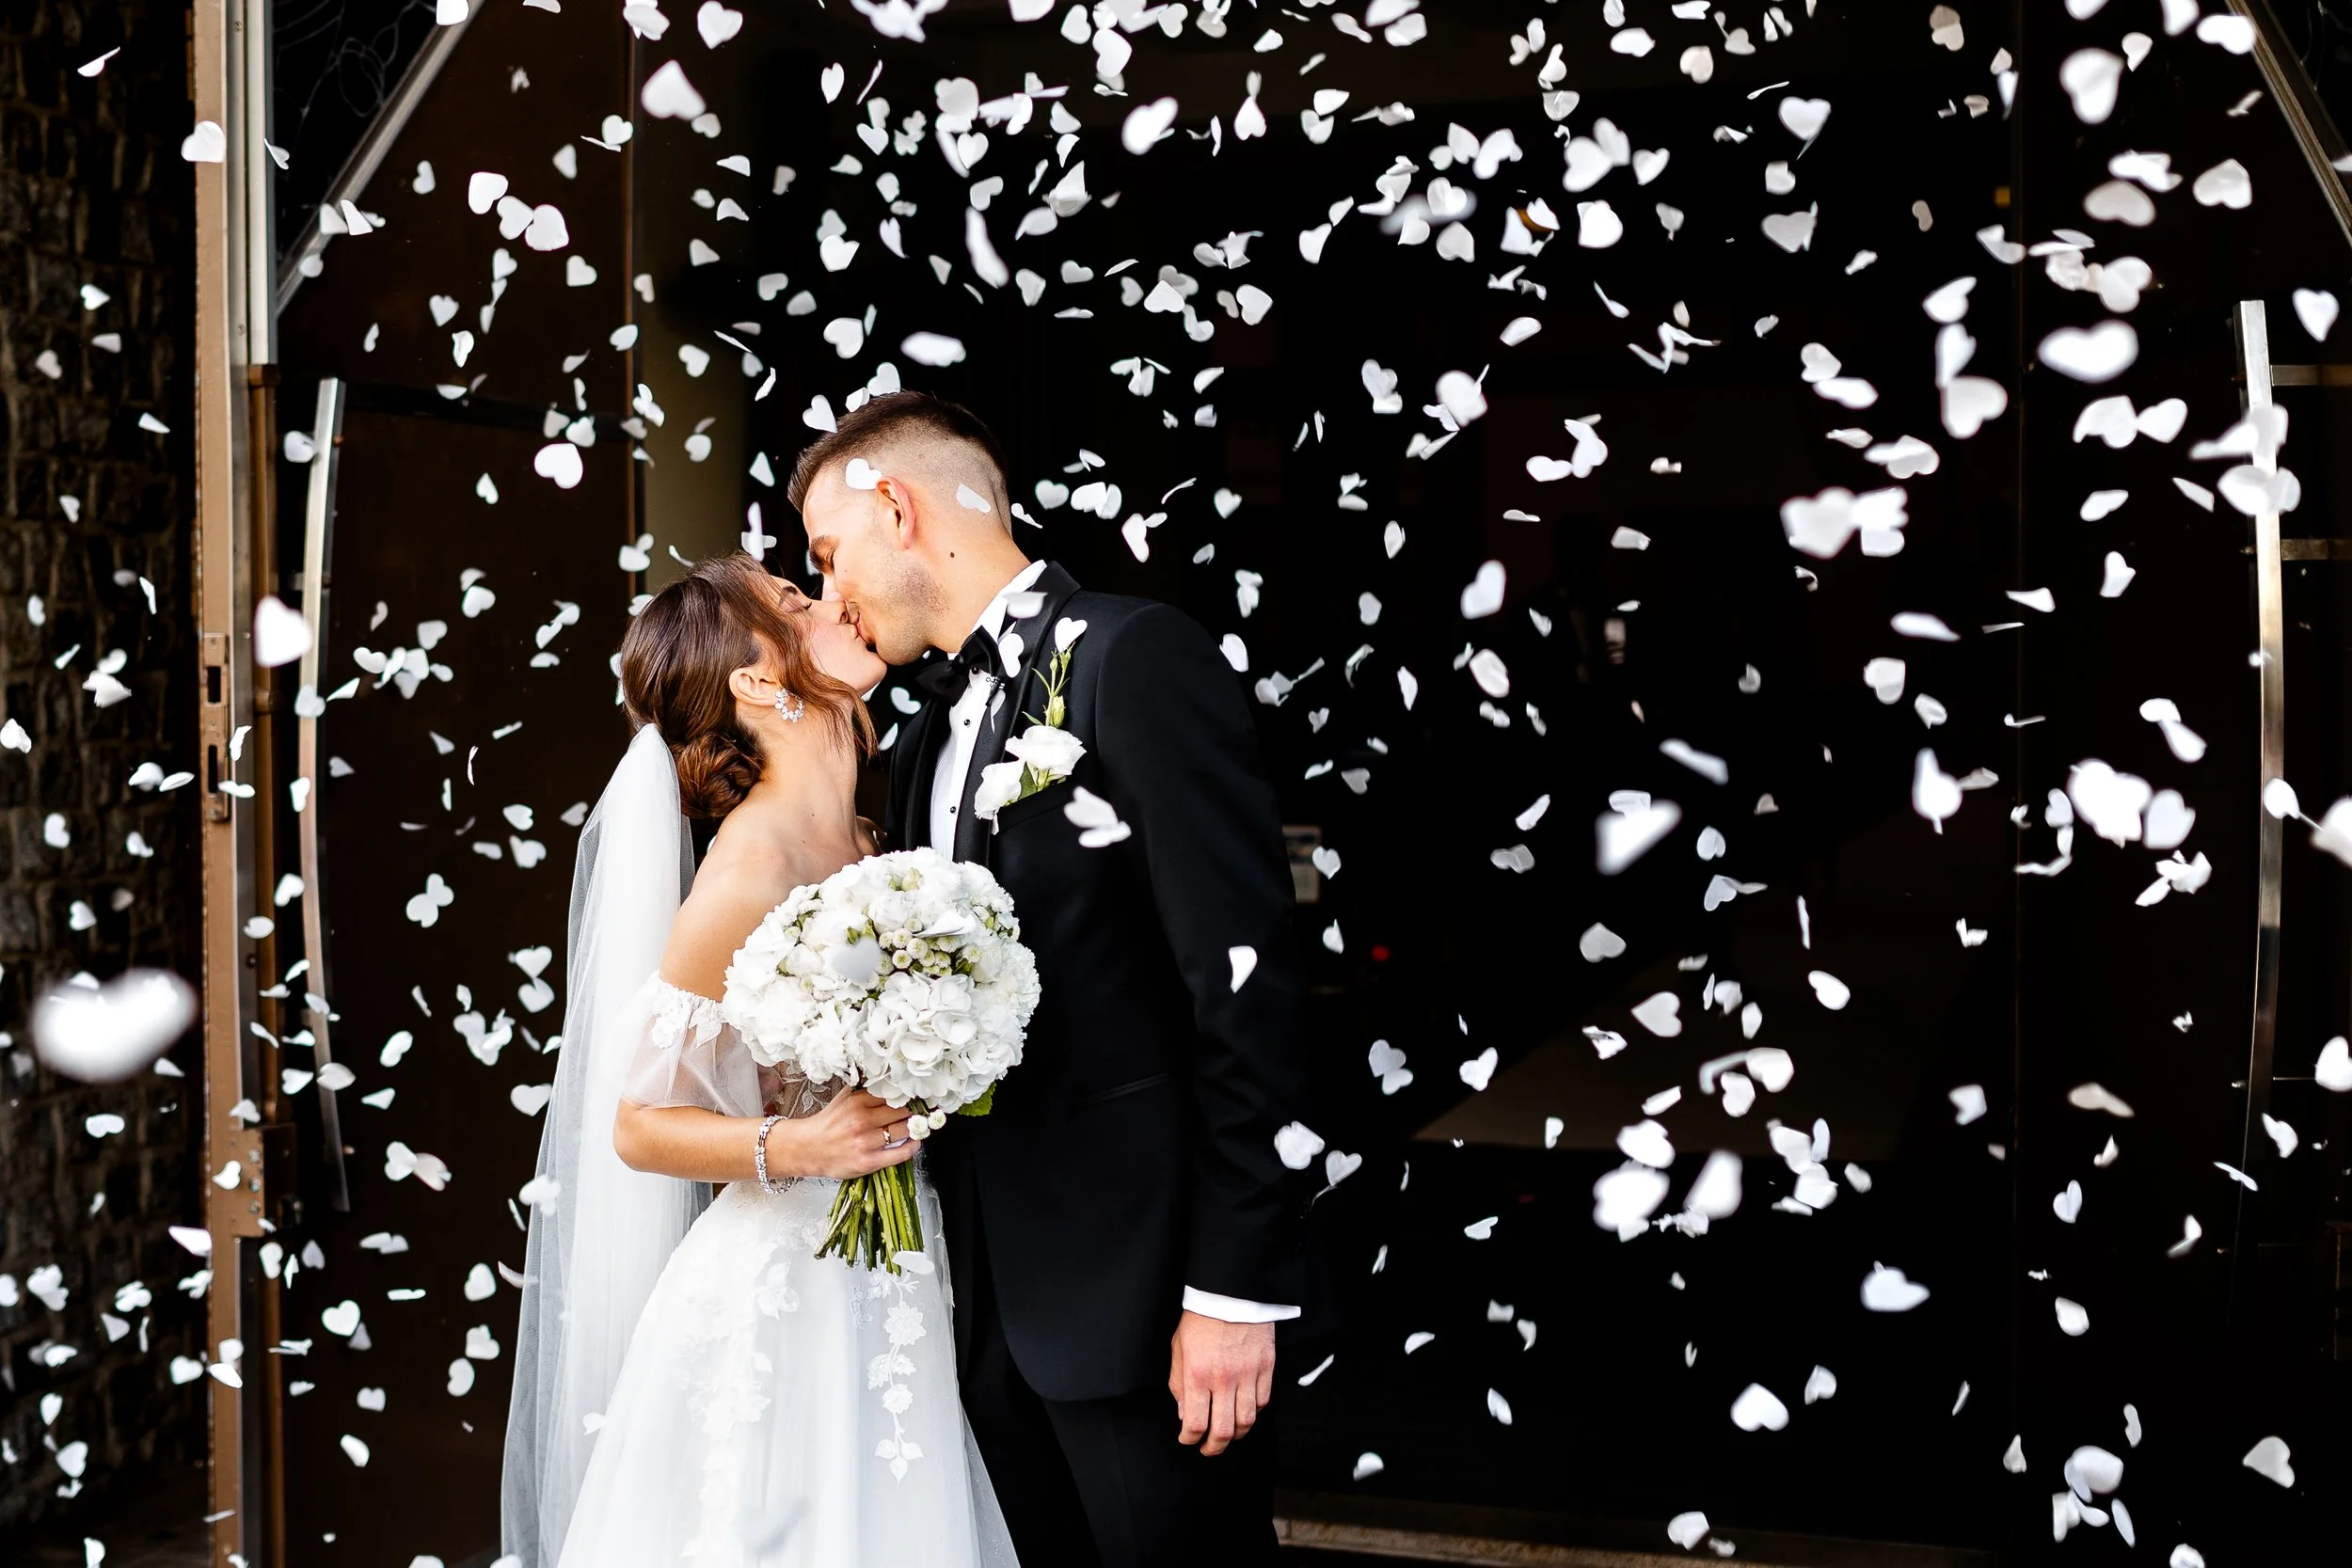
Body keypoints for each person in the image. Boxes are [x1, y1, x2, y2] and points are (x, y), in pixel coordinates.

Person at [790, 390, 1316, 1568]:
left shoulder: (1134, 659)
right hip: (975, 1307)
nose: (833, 597)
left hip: (1144, 1309)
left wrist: (1234, 1290)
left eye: (830, 558)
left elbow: (1246, 987)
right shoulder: (922, 738)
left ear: (899, 504)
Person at [500, 553, 1019, 1568]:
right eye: (795, 600)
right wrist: (804, 1141)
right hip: (788, 1291)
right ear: (756, 680)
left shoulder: (875, 840)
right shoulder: (747, 873)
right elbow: (638, 1125)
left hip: (900, 1267)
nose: (834, 601)